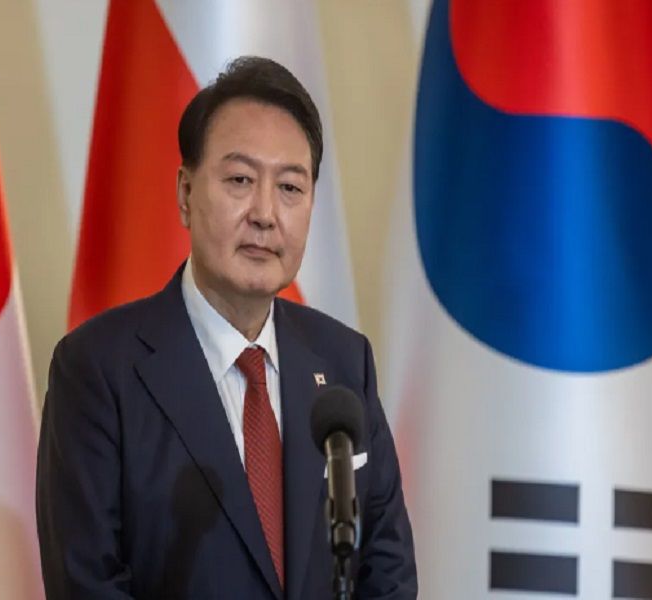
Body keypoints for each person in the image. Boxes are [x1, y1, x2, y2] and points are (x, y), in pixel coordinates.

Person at [37, 55, 417, 599]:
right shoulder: (98, 370)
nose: (265, 213)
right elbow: (87, 582)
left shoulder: (343, 363)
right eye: (240, 180)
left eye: (290, 188)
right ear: (186, 194)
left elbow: (388, 570)